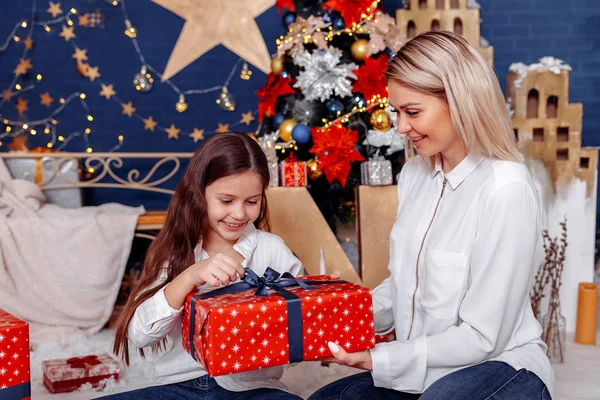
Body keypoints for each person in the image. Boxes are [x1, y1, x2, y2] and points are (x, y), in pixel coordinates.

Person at [309, 31, 553, 400]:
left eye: (412, 112)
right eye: (396, 112)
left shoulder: (507, 189)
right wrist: (337, 321)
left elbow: (484, 336)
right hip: (420, 368)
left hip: (501, 365)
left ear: (460, 102)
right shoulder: (414, 175)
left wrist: (381, 358)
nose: (401, 128)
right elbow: (403, 283)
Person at [102, 132, 304, 400]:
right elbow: (140, 335)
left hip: (252, 388)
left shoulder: (272, 249)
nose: (240, 214)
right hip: (178, 387)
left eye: (252, 202)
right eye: (227, 201)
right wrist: (188, 278)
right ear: (199, 193)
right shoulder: (175, 250)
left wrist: (322, 297)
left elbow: (301, 330)